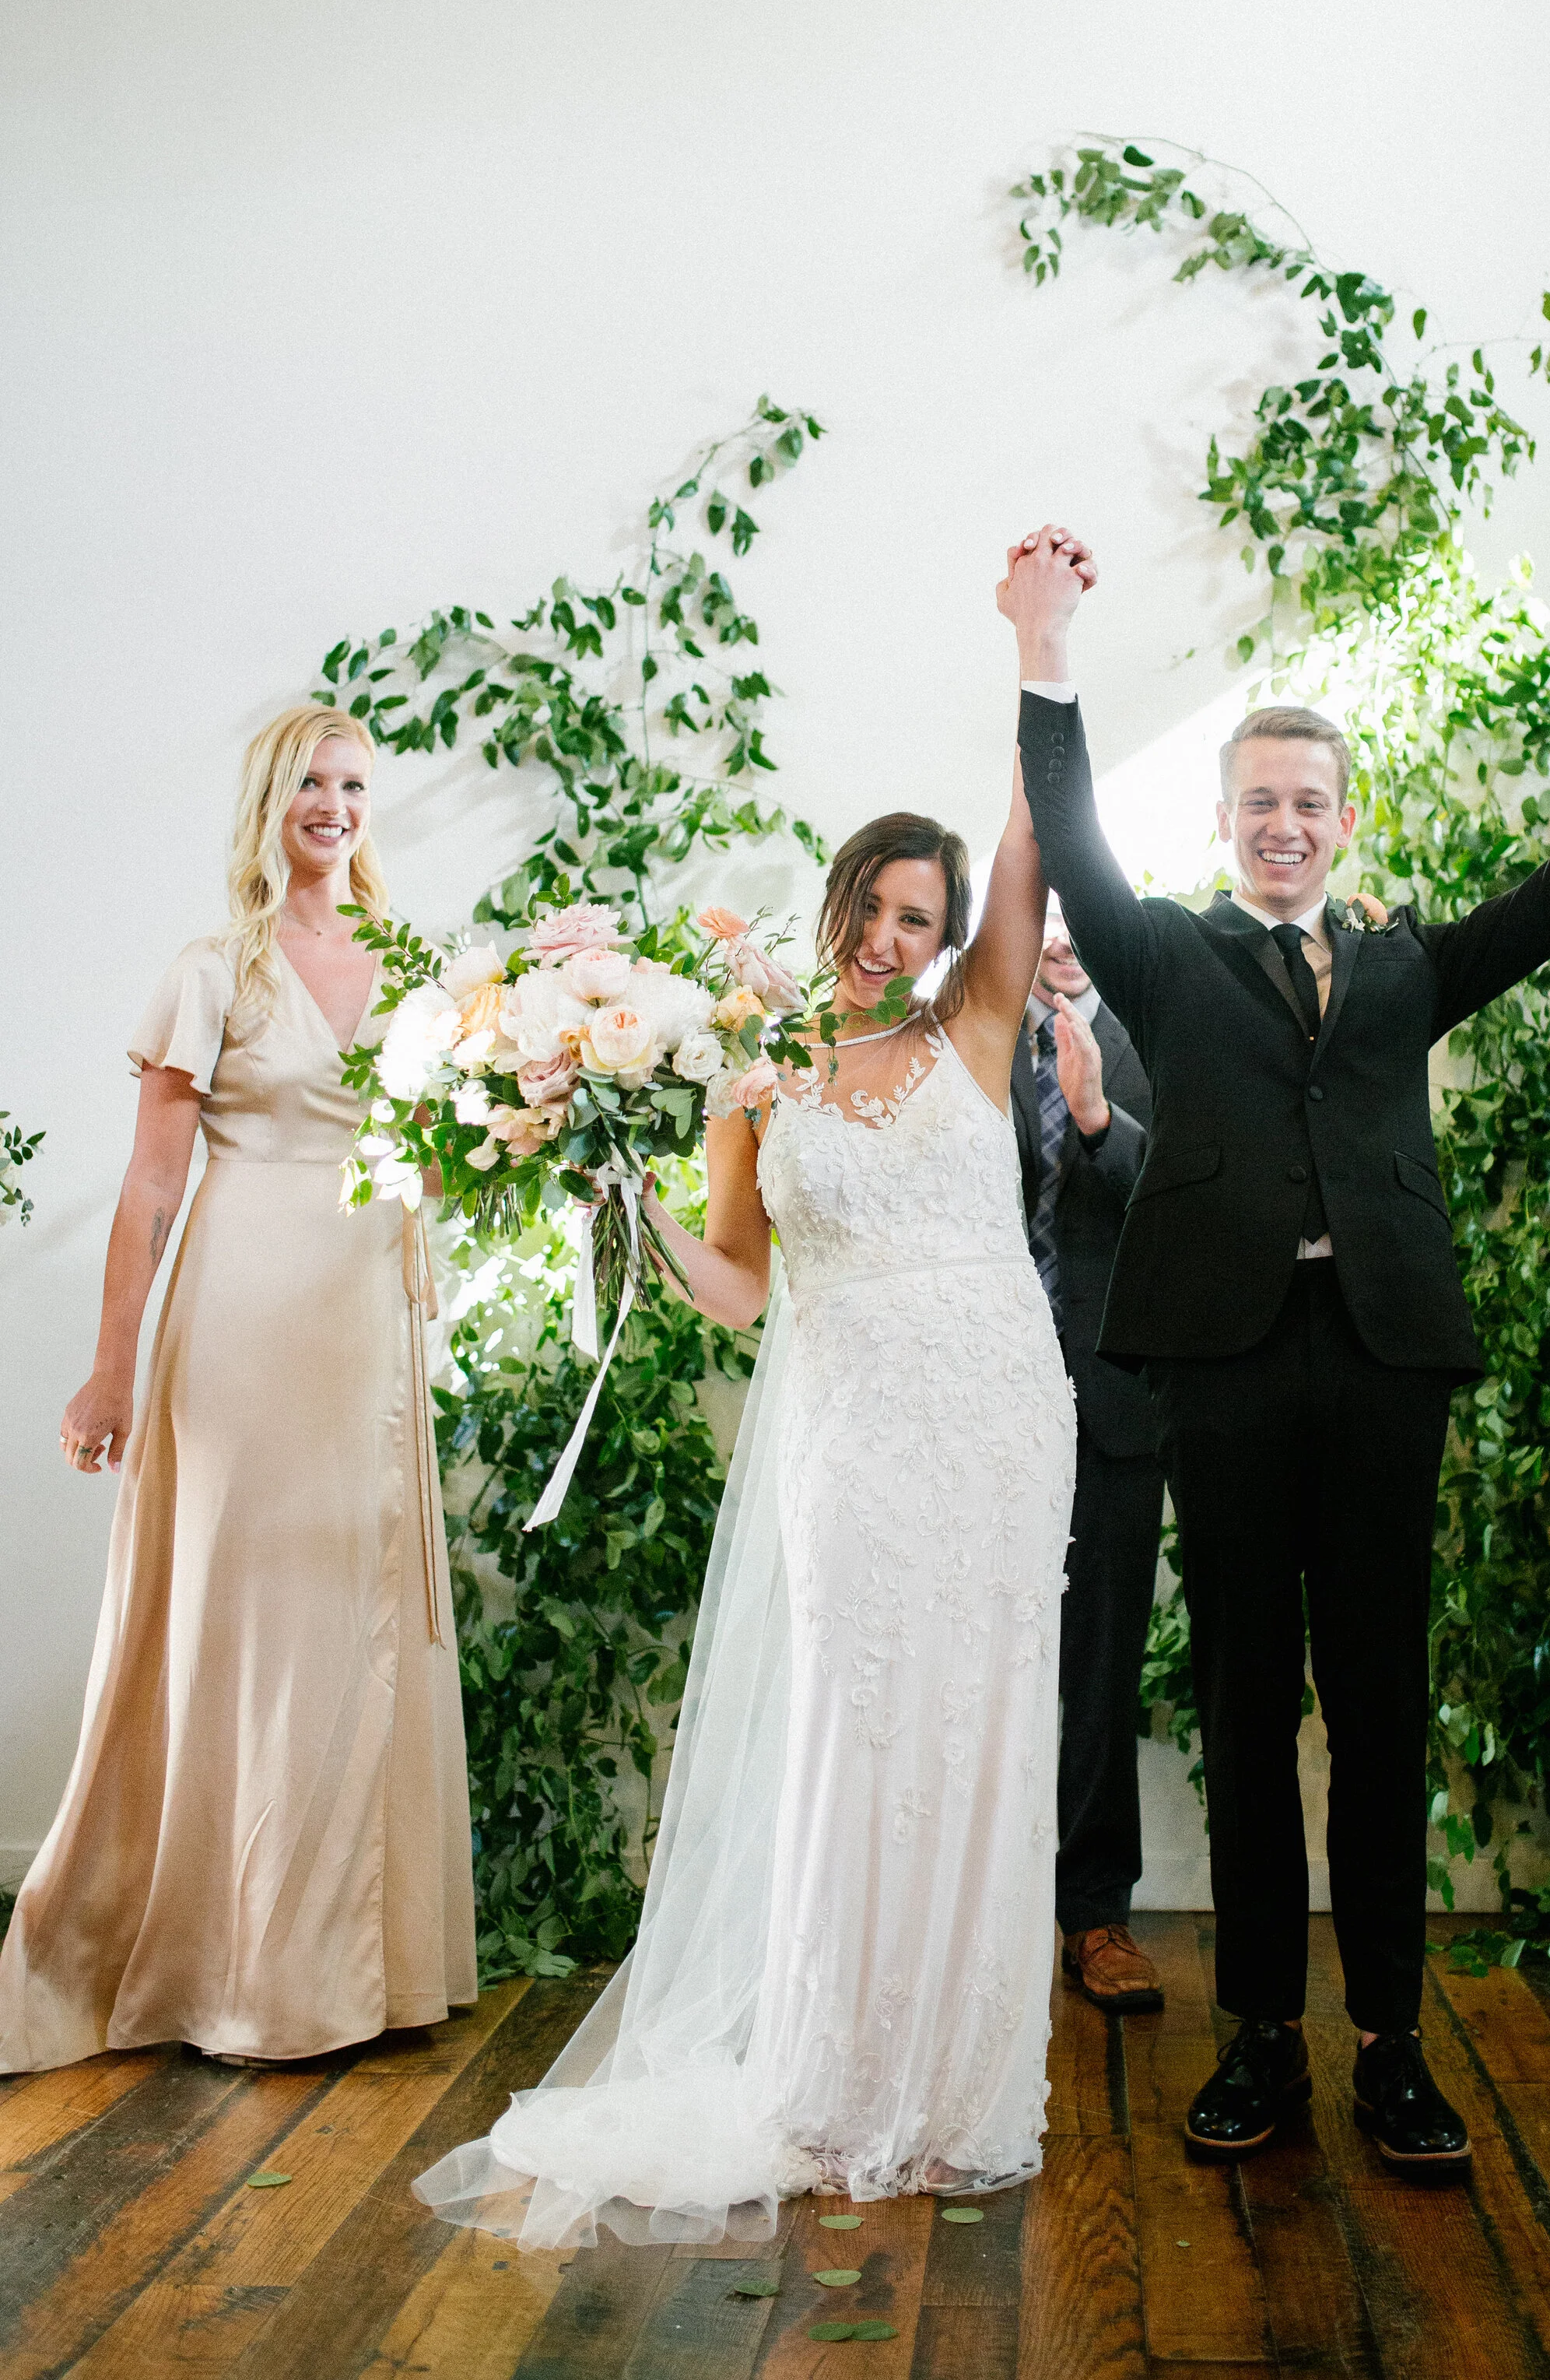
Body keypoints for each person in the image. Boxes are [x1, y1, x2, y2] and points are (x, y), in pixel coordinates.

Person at [1003, 527, 1550, 2173]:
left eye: (1308, 803)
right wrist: (1047, 645)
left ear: (1343, 822)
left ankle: (1385, 2046)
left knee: (1374, 1702)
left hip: (1378, 1365)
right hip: (1220, 1365)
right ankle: (1260, 2045)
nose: (1282, 825)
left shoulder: (1404, 968)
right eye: (1255, 803)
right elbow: (1069, 841)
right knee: (1238, 1703)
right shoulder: (1160, 949)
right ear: (1225, 824)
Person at [415, 676, 1076, 2247]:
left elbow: (1034, 833)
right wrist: (630, 1204)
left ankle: (955, 2086)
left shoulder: (979, 1022)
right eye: (876, 906)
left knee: (979, 1732)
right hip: (850, 1421)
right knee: (855, 1728)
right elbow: (741, 1284)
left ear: (944, 936)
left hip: (994, 1412)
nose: (890, 940)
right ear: (840, 897)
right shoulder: (746, 1078)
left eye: (923, 920)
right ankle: (835, 2076)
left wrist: (1036, 650)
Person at [0, 709, 475, 2075]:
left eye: (356, 785)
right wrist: (110, 1366)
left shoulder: (414, 967)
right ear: (271, 800)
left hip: (367, 1318)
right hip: (243, 1320)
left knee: (353, 1609)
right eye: (311, 783)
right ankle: (236, 1969)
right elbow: (153, 1186)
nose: (335, 805)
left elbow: (439, 1148)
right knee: (245, 1619)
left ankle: (359, 1969)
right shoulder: (215, 972)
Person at [1011, 913, 1162, 2013]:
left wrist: (1102, 1111)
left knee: (1100, 1666)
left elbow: (1191, 1202)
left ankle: (1096, 1912)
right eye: (1040, 906)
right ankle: (977, 1912)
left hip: (1115, 1400)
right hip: (978, 1399)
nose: (1060, 932)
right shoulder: (962, 1041)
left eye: (1080, 908)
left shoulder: (1164, 1030)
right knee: (974, 1666)